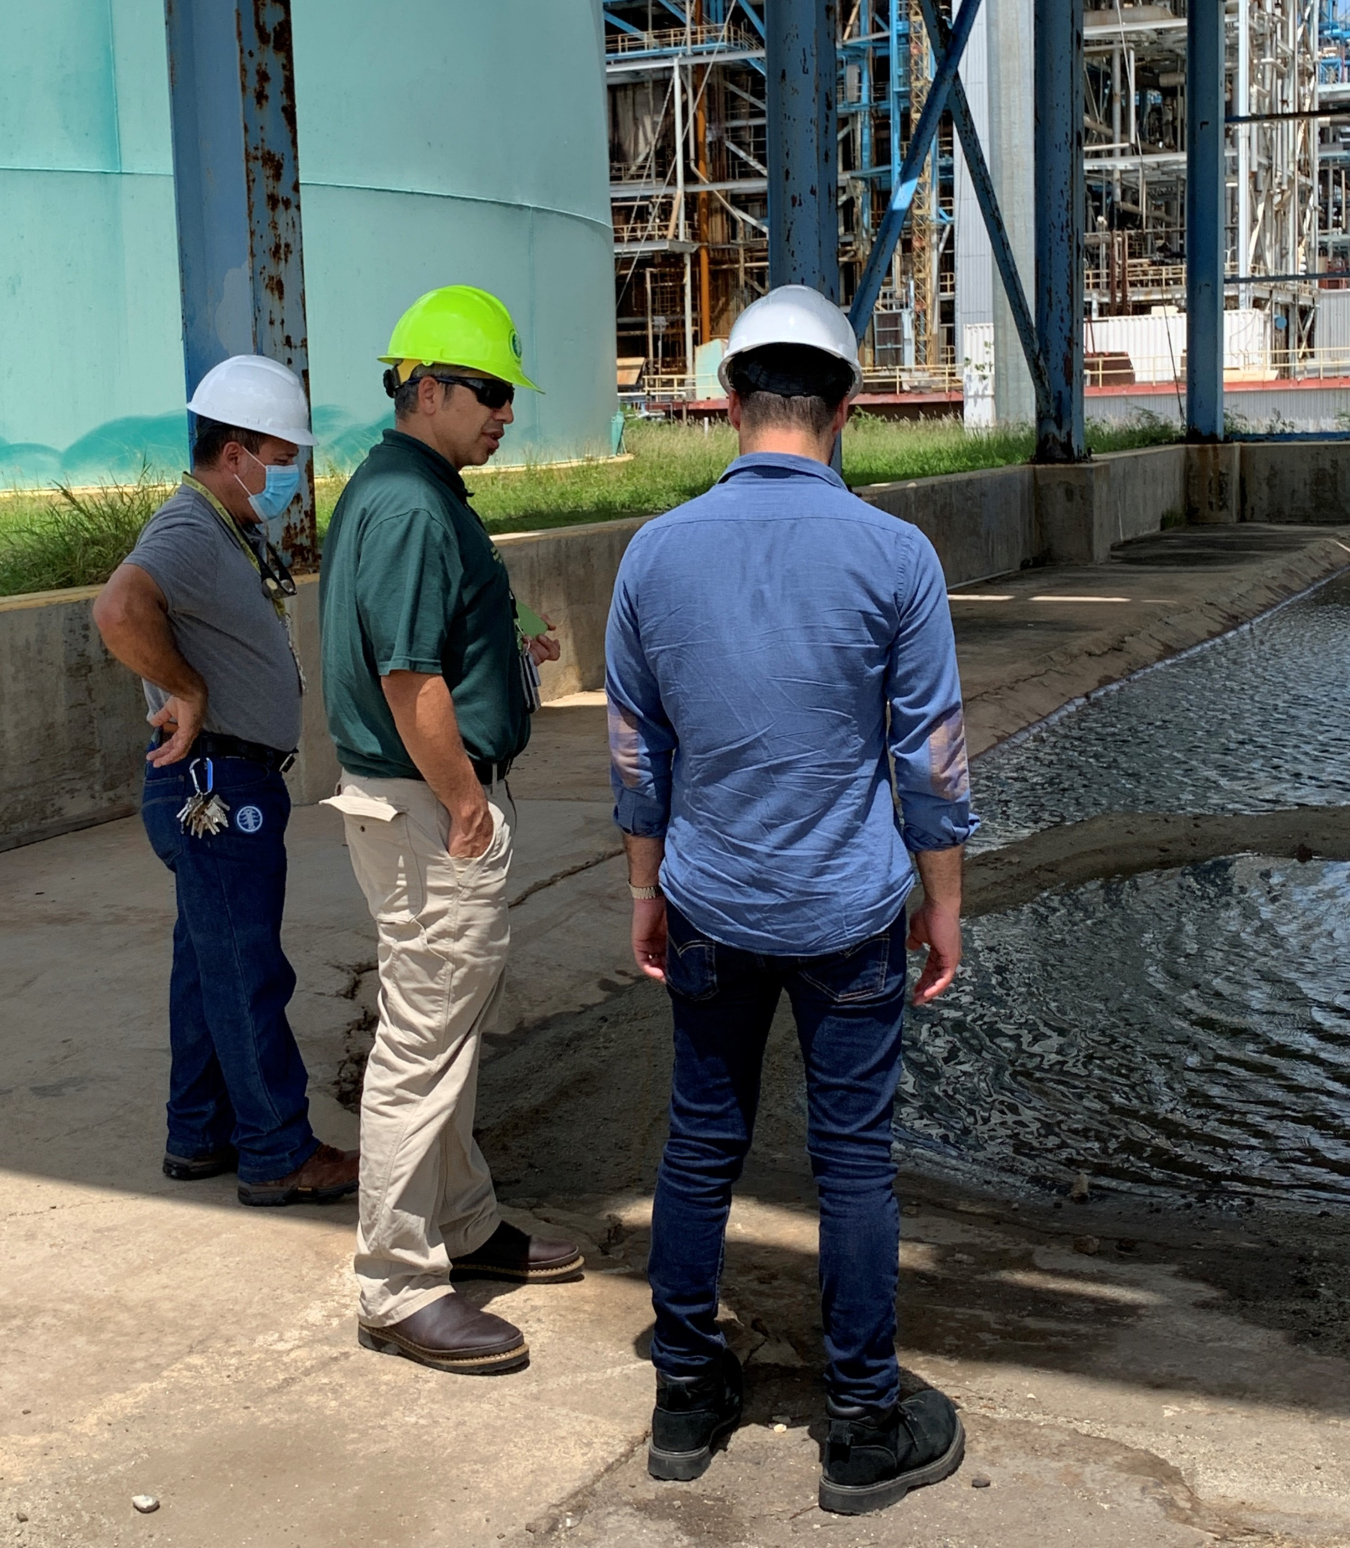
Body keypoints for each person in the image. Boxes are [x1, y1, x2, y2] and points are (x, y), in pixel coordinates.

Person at [605, 285, 978, 1516]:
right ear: (847, 409)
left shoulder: (654, 554)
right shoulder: (894, 555)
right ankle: (863, 1420)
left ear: (726, 401)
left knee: (701, 1145)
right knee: (854, 1165)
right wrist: (945, 907)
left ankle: (684, 1398)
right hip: (849, 913)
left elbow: (636, 752)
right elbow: (928, 756)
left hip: (711, 900)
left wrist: (648, 892)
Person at [320, 285, 582, 1376]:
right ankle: (396, 1285)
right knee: (421, 1051)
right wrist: (467, 799)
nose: (503, 412)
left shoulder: (408, 489)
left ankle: (464, 1224)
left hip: (421, 801)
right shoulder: (415, 506)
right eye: (487, 391)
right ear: (424, 389)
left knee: (446, 1035)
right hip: (431, 806)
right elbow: (408, 674)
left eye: (507, 395)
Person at [92, 355, 359, 1208]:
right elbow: (119, 608)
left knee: (208, 963)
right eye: (283, 457)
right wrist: (189, 688)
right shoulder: (188, 530)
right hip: (215, 783)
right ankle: (278, 1150)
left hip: (230, 780)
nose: (292, 474)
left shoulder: (226, 530)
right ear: (236, 451)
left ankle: (199, 1132)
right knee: (246, 969)